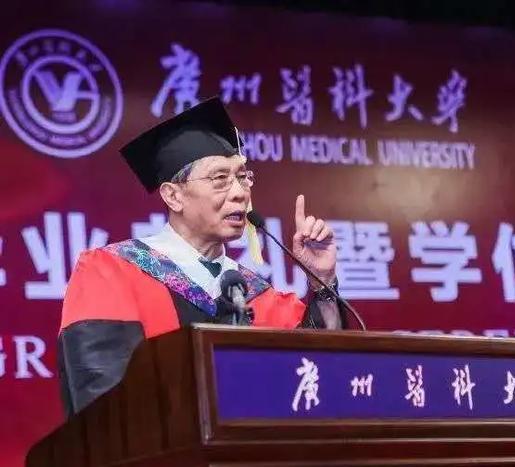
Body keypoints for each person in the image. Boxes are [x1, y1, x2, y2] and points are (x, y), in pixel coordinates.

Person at [57, 97, 343, 416]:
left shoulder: (256, 295)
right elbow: (102, 402)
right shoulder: (112, 272)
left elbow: (321, 378)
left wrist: (322, 283)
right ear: (173, 196)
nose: (240, 193)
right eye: (220, 179)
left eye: (243, 177)